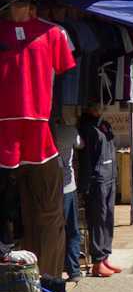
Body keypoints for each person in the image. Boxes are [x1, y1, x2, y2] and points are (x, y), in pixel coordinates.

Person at [76, 103, 120, 278]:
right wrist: (85, 185)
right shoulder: (87, 128)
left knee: (108, 218)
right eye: (96, 104)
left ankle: (105, 255)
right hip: (97, 179)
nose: (100, 107)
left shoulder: (104, 125)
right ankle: (97, 261)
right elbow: (85, 159)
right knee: (97, 219)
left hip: (109, 177)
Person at [50, 114, 83, 281]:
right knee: (72, 230)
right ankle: (74, 271)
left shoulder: (45, 133)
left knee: (53, 231)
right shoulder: (70, 131)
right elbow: (80, 144)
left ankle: (53, 270)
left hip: (49, 190)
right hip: (68, 188)